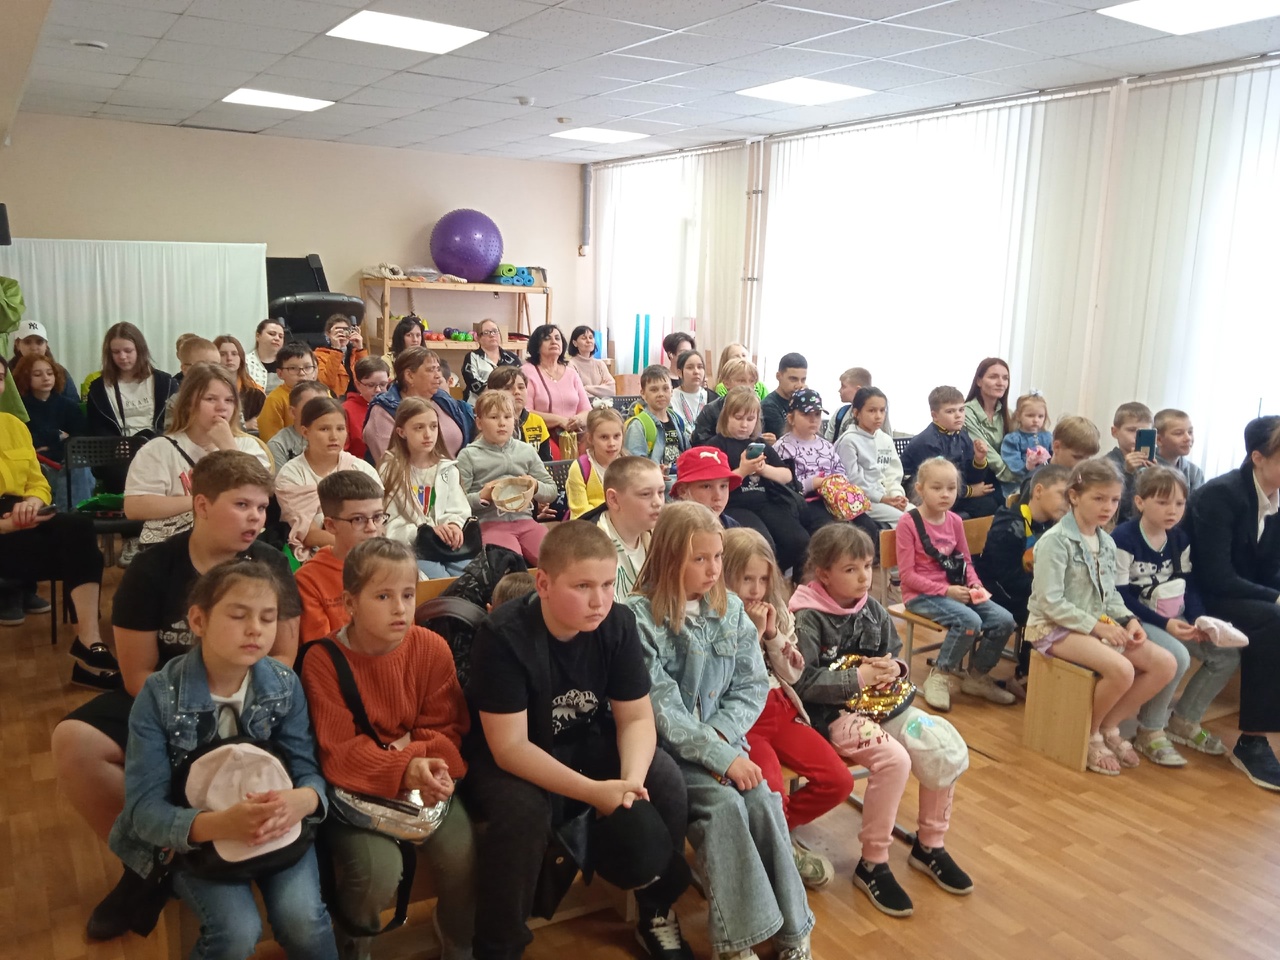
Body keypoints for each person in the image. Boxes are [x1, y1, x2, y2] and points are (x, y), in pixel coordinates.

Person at [53, 451, 301, 942]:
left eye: (261, 507)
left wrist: (235, 708)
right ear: (201, 505)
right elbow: (137, 674)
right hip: (166, 697)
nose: (255, 518)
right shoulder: (153, 568)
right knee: (74, 741)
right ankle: (147, 865)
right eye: (242, 505)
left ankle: (213, 854)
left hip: (251, 698)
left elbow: (285, 656)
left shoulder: (270, 561)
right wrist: (192, 717)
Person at [465, 521, 695, 960]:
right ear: (544, 584)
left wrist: (629, 784)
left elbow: (636, 717)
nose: (599, 600)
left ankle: (656, 911)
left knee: (664, 780)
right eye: (583, 586)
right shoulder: (503, 635)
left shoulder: (618, 622)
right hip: (513, 754)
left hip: (585, 737)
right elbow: (509, 749)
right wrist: (594, 793)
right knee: (522, 814)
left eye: (608, 584)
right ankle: (499, 947)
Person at [109, 558, 338, 960]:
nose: (255, 629)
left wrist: (303, 800)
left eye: (268, 618)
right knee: (235, 932)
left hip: (278, 829)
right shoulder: (159, 696)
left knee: (304, 921)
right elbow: (144, 811)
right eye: (238, 615)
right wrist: (220, 824)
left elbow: (307, 769)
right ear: (198, 620)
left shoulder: (284, 684)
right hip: (200, 841)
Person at [627, 502, 814, 960]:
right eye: (700, 559)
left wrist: (724, 743)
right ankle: (737, 943)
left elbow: (751, 686)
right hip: (671, 757)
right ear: (670, 558)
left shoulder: (730, 610)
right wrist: (718, 756)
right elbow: (662, 710)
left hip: (728, 745)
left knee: (764, 799)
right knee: (726, 806)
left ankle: (794, 931)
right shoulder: (637, 618)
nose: (714, 570)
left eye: (717, 557)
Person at [299, 538, 474, 960]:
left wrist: (425, 765)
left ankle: (459, 942)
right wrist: (409, 762)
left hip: (424, 780)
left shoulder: (431, 648)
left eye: (408, 595)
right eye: (383, 596)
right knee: (378, 871)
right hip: (357, 793)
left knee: (461, 854)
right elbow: (340, 754)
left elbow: (447, 731)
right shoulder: (322, 661)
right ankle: (354, 946)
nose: (400, 608)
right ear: (350, 603)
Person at [790, 523, 972, 918]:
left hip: (883, 705)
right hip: (833, 715)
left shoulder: (870, 607)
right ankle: (873, 862)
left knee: (940, 745)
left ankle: (930, 846)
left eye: (868, 566)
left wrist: (895, 668)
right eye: (850, 569)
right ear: (823, 574)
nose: (864, 577)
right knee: (894, 760)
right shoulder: (806, 617)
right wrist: (857, 678)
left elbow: (894, 653)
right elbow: (800, 683)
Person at [1027, 458, 1177, 776]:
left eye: (1114, 500)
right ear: (1074, 496)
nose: (1108, 507)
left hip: (1094, 624)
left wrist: (1129, 620)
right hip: (1052, 627)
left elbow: (1110, 595)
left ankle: (1110, 726)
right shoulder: (1054, 542)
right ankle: (1090, 734)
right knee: (1121, 669)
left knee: (1165, 663)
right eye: (1098, 498)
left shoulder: (1106, 542)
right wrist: (1097, 628)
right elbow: (1050, 602)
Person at [724, 528, 845, 890]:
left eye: (763, 579)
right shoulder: (717, 617)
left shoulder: (775, 610)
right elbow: (727, 680)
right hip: (745, 720)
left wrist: (772, 635)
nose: (756, 589)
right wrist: (751, 633)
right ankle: (779, 848)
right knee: (772, 791)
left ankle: (773, 838)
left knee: (837, 781)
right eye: (746, 579)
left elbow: (793, 673)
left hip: (781, 708)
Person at [1114, 466, 1245, 767]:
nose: (1172, 510)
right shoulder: (1124, 538)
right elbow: (1119, 595)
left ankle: (1184, 721)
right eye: (1162, 502)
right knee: (1177, 657)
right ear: (1140, 502)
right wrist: (1166, 624)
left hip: (1173, 616)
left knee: (1226, 656)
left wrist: (1198, 620)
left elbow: (1188, 584)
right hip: (1137, 618)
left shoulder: (1179, 539)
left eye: (1179, 503)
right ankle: (1150, 730)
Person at [0, 354, 111, 679]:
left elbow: (37, 481)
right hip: (4, 526)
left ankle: (89, 642)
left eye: (0, 377)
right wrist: (6, 525)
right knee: (78, 550)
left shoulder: (13, 426)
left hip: (20, 515)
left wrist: (34, 501)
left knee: (78, 527)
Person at [1189, 416, 1280, 790]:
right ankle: (1253, 742)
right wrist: (1275, 597)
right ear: (1258, 457)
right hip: (1203, 597)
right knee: (1273, 620)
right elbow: (1215, 576)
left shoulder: (1275, 497)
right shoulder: (1220, 495)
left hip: (1242, 593)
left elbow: (1272, 568)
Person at [897, 458, 1018, 711]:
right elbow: (907, 576)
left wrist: (974, 584)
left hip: (954, 589)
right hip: (920, 595)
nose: (945, 494)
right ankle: (940, 674)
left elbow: (965, 561)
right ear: (920, 489)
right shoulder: (908, 523)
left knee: (1005, 620)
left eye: (951, 488)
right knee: (969, 621)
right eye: (936, 488)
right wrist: (946, 591)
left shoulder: (954, 521)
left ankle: (977, 677)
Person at [124, 362, 271, 547]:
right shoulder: (159, 449)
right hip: (175, 547)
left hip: (237, 546)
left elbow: (259, 495)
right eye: (210, 399)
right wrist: (202, 501)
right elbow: (134, 506)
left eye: (229, 400)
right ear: (188, 404)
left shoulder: (248, 447)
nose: (221, 407)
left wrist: (229, 449)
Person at [973, 464, 1071, 697]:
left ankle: (1055, 675)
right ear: (1038, 491)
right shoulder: (1010, 524)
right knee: (1046, 613)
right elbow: (1004, 577)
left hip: (1027, 589)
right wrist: (1046, 596)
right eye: (1062, 494)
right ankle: (1025, 676)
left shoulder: (1051, 525)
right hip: (996, 592)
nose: (1067, 503)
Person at [704, 385, 811, 574]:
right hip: (735, 505)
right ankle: (764, 577)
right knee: (762, 545)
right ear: (726, 417)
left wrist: (764, 469)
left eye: (750, 419)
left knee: (800, 541)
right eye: (738, 418)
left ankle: (773, 576)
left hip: (766, 502)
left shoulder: (760, 444)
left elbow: (786, 475)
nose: (744, 425)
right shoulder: (716, 446)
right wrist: (743, 471)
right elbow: (714, 485)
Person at [456, 390, 557, 563]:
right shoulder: (468, 455)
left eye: (508, 417)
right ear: (479, 423)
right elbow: (458, 502)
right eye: (494, 417)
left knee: (555, 561)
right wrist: (482, 496)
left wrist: (535, 486)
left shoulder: (526, 451)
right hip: (489, 524)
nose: (502, 423)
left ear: (514, 420)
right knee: (508, 563)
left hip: (526, 521)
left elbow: (552, 491)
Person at [276, 397, 381, 563]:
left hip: (368, 549)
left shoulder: (362, 469)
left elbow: (379, 522)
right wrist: (356, 546)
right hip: (318, 555)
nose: (334, 437)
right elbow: (309, 534)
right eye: (324, 429)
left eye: (340, 429)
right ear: (305, 432)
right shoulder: (291, 474)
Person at [379, 396, 473, 578]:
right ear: (401, 432)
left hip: (447, 545)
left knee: (470, 577)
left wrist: (454, 525)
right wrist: (425, 532)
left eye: (433, 426)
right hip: (412, 548)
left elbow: (459, 508)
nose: (428, 434)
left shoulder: (447, 468)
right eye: (419, 428)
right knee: (440, 581)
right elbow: (388, 521)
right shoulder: (390, 470)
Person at [295, 470, 387, 643]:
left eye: (377, 517)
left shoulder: (391, 567)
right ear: (330, 525)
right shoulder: (309, 580)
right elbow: (321, 649)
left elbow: (406, 636)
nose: (372, 528)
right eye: (358, 519)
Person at [900, 386, 997, 518]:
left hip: (952, 490)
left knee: (990, 502)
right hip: (924, 494)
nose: (958, 415)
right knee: (982, 507)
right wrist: (970, 491)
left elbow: (972, 478)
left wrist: (979, 459)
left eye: (961, 410)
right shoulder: (928, 442)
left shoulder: (962, 435)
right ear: (935, 416)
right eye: (950, 411)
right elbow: (938, 480)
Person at [365, 347, 475, 463]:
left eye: (438, 369)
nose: (438, 375)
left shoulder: (444, 400)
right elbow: (389, 464)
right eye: (431, 370)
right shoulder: (384, 410)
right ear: (409, 376)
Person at [13, 352, 91, 510]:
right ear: (25, 378)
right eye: (37, 374)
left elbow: (80, 440)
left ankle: (70, 516)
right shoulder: (19, 408)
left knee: (79, 466)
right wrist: (56, 435)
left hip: (66, 460)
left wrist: (51, 447)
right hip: (37, 465)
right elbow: (25, 440)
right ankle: (67, 517)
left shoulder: (69, 406)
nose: (46, 378)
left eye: (50, 373)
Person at [87, 321, 177, 451]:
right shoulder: (98, 389)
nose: (122, 357)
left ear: (140, 350)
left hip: (160, 449)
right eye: (116, 352)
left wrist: (155, 442)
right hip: (117, 454)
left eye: (128, 351)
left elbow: (176, 424)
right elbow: (97, 429)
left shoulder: (166, 383)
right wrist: (116, 446)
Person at [835, 386, 908, 525]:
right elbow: (853, 481)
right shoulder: (849, 441)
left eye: (882, 410)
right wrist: (882, 498)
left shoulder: (885, 439)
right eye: (872, 411)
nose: (878, 416)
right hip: (861, 500)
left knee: (920, 515)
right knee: (905, 520)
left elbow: (893, 474)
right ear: (856, 413)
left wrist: (897, 496)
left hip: (886, 497)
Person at [595, 455, 665, 599]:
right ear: (614, 499)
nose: (658, 502)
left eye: (661, 492)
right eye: (646, 494)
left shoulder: (661, 536)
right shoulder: (590, 547)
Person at [521, 323, 590, 438]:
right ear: (537, 346)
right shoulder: (527, 371)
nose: (554, 342)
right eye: (547, 338)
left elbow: (587, 410)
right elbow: (525, 412)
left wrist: (577, 420)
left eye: (557, 338)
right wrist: (559, 420)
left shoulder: (571, 373)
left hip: (574, 434)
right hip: (541, 435)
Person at [623, 364, 690, 478]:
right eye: (654, 390)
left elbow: (687, 452)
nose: (660, 394)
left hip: (681, 480)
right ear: (643, 393)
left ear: (672, 391)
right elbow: (634, 465)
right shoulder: (638, 426)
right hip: (655, 483)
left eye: (665, 388)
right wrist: (654, 473)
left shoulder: (677, 420)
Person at [962, 357, 1015, 492]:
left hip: (1006, 479)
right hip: (979, 478)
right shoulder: (966, 412)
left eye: (1005, 378)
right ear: (979, 381)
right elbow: (987, 451)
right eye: (993, 377)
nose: (1001, 383)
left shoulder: (1008, 413)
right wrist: (1011, 475)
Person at [566, 406, 624, 519]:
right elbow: (581, 513)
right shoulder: (579, 468)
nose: (612, 443)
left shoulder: (629, 467)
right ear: (590, 438)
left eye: (616, 436)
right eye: (604, 437)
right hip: (589, 526)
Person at [486, 365, 553, 461]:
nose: (517, 392)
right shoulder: (488, 422)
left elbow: (546, 462)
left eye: (521, 387)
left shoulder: (537, 421)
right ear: (493, 393)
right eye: (508, 388)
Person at [1104, 401, 1155, 525]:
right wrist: (1128, 473)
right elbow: (1116, 510)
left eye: (1144, 432)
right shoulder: (1106, 464)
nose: (1136, 436)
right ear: (1115, 432)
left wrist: (1155, 477)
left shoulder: (1155, 462)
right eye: (1132, 430)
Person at [257, 343, 320, 443]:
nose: (302, 373)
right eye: (293, 368)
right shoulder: (275, 400)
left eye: (307, 367)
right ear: (280, 373)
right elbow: (271, 440)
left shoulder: (323, 394)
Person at [693, 357, 762, 446]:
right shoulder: (711, 410)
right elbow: (700, 443)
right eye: (742, 381)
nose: (748, 386)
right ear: (726, 383)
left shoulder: (755, 408)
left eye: (752, 381)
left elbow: (757, 436)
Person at [9, 318, 80, 403]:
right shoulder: (6, 372)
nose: (34, 348)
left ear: (46, 345)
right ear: (17, 344)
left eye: (39, 342)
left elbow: (74, 403)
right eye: (27, 342)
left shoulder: (60, 371)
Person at [670, 446, 742, 530]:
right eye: (706, 486)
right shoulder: (673, 529)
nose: (718, 497)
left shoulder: (732, 527)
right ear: (682, 491)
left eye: (723, 486)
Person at [267, 380, 329, 474]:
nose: (320, 412)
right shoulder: (278, 445)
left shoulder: (333, 437)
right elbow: (282, 482)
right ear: (293, 412)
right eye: (311, 407)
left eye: (325, 406)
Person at [999, 392, 1053, 492]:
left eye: (1040, 416)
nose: (1036, 420)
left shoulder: (1048, 437)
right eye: (1030, 415)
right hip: (1020, 484)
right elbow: (1013, 463)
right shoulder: (1013, 439)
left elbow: (1054, 457)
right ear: (1018, 416)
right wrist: (1027, 467)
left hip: (1045, 482)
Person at [163, 337, 221, 430]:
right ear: (186, 369)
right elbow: (172, 433)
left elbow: (239, 431)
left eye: (216, 365)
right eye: (203, 365)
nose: (211, 370)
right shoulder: (177, 401)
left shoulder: (227, 397)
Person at [214, 334, 267, 433]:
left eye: (234, 354)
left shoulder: (255, 394)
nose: (229, 358)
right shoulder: (206, 391)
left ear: (241, 358)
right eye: (223, 354)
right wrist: (244, 425)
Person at [462, 318, 521, 403]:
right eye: (486, 332)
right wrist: (500, 392)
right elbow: (473, 383)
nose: (492, 335)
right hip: (479, 404)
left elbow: (521, 380)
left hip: (509, 404)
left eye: (495, 331)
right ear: (478, 338)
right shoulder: (472, 357)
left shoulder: (512, 357)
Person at [343, 356, 389, 460]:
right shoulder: (346, 410)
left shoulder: (393, 406)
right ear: (358, 385)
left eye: (383, 384)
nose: (378, 390)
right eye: (371, 385)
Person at [314, 312, 367, 398]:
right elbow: (326, 383)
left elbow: (368, 376)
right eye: (337, 330)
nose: (342, 334)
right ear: (328, 334)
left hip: (358, 397)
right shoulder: (318, 355)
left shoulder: (355, 353)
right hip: (335, 400)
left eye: (346, 330)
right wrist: (336, 349)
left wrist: (360, 349)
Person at [1153, 408, 1205, 492]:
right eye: (1178, 433)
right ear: (1159, 440)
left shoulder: (1195, 472)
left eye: (1190, 432)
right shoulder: (1145, 466)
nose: (1188, 438)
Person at [760, 352, 807, 443]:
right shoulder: (769, 405)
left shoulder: (803, 401)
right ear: (779, 376)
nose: (799, 385)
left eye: (803, 380)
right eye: (793, 379)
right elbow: (789, 441)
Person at [824, 367, 875, 442]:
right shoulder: (840, 413)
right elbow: (827, 443)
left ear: (858, 390)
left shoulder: (877, 415)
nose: (839, 390)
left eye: (843, 386)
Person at [565, 325, 615, 400]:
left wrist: (586, 388)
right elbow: (576, 392)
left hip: (604, 405)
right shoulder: (571, 365)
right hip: (583, 405)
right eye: (584, 338)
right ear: (575, 343)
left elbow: (611, 390)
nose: (588, 341)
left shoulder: (600, 364)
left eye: (591, 337)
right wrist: (599, 395)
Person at [244, 317, 287, 394]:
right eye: (272, 334)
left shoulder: (288, 364)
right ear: (258, 336)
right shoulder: (244, 363)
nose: (277, 338)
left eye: (281, 336)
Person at [671, 349, 707, 428]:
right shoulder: (671, 397)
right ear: (679, 373)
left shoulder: (712, 397)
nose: (696, 371)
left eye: (700, 367)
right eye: (690, 367)